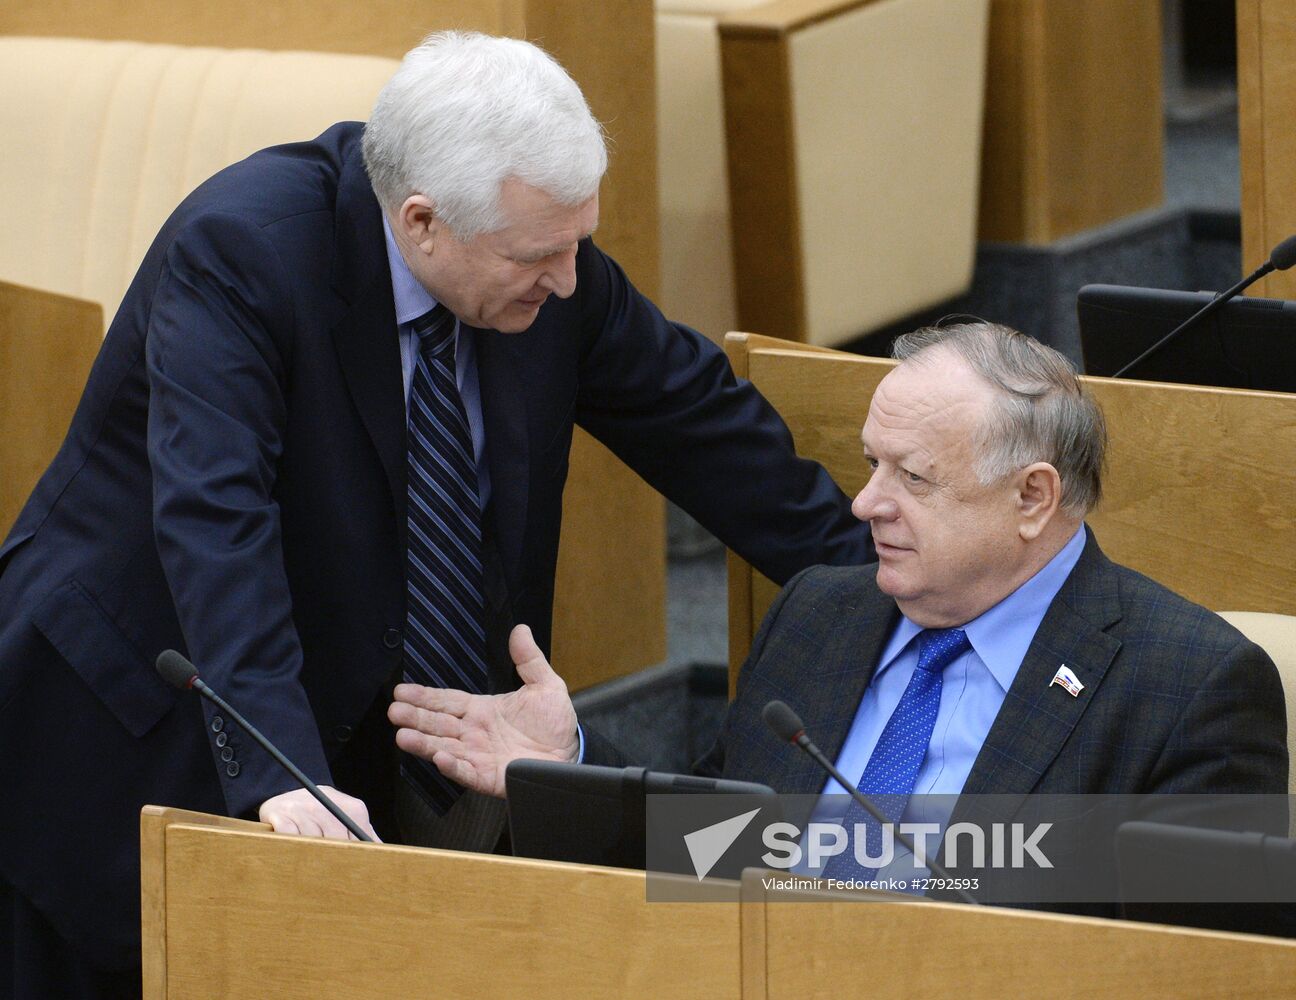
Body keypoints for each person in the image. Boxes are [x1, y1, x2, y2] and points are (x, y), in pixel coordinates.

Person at [0, 32, 872, 998]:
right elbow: (216, 518)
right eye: (540, 255)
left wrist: (888, 586)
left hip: (361, 718)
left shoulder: (536, 258)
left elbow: (700, 421)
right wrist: (278, 771)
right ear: (421, 222)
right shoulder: (244, 250)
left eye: (577, 243)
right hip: (136, 719)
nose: (571, 281)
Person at [392, 321, 1287, 889]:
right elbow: (716, 842)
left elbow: (1196, 969)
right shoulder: (822, 612)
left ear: (1033, 499)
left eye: (914, 478)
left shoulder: (1191, 686)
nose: (865, 505)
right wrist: (572, 759)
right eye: (871, 464)